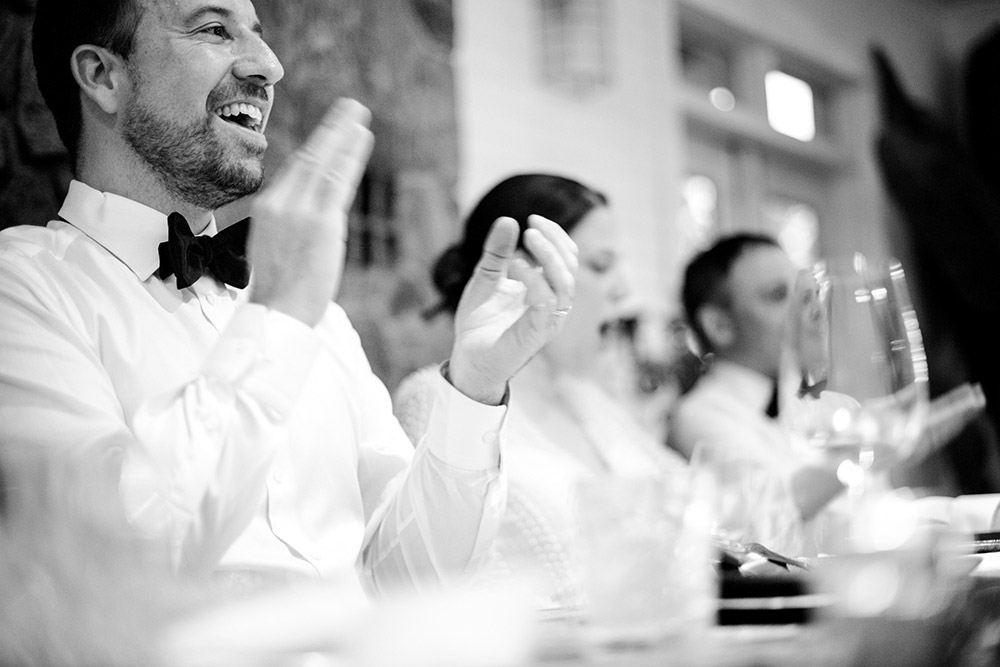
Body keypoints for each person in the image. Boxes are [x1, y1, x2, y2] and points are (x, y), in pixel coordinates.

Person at [0, 0, 579, 604]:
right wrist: (276, 320)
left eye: (260, 35)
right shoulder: (23, 289)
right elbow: (111, 557)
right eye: (214, 30)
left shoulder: (315, 317)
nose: (270, 67)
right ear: (102, 76)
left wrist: (474, 388)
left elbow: (415, 581)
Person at [393, 173, 687, 607]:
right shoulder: (438, 398)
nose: (624, 290)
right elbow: (428, 582)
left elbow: (703, 507)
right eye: (601, 266)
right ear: (529, 273)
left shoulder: (590, 401)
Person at [666, 232, 845, 554]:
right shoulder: (697, 418)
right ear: (719, 325)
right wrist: (873, 446)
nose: (811, 310)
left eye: (806, 294)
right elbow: (769, 526)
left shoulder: (809, 407)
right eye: (778, 296)